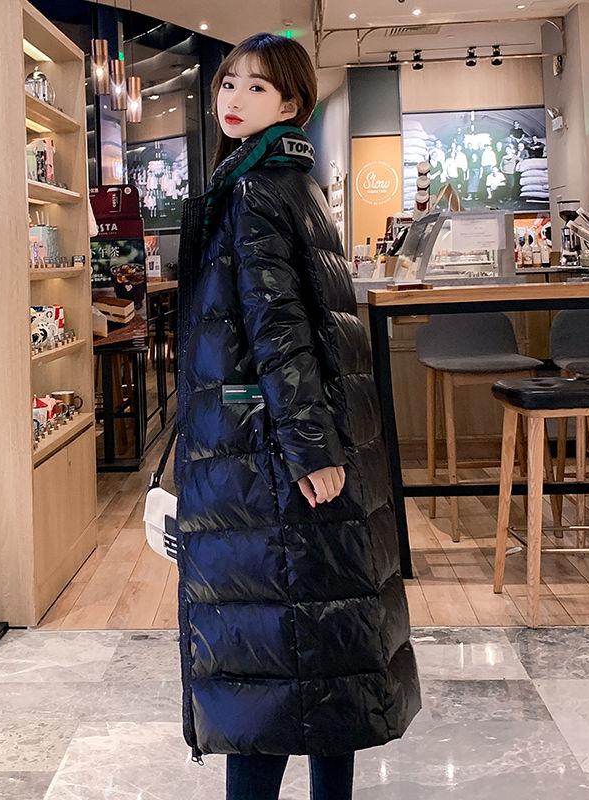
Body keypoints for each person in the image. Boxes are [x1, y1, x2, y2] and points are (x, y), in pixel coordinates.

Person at [173, 32, 421, 800]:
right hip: (300, 440)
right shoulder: (294, 181)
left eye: (256, 87)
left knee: (265, 669)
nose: (233, 98)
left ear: (290, 104)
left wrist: (309, 448)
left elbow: (278, 328)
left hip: (269, 455)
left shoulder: (252, 189)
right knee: (323, 655)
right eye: (229, 83)